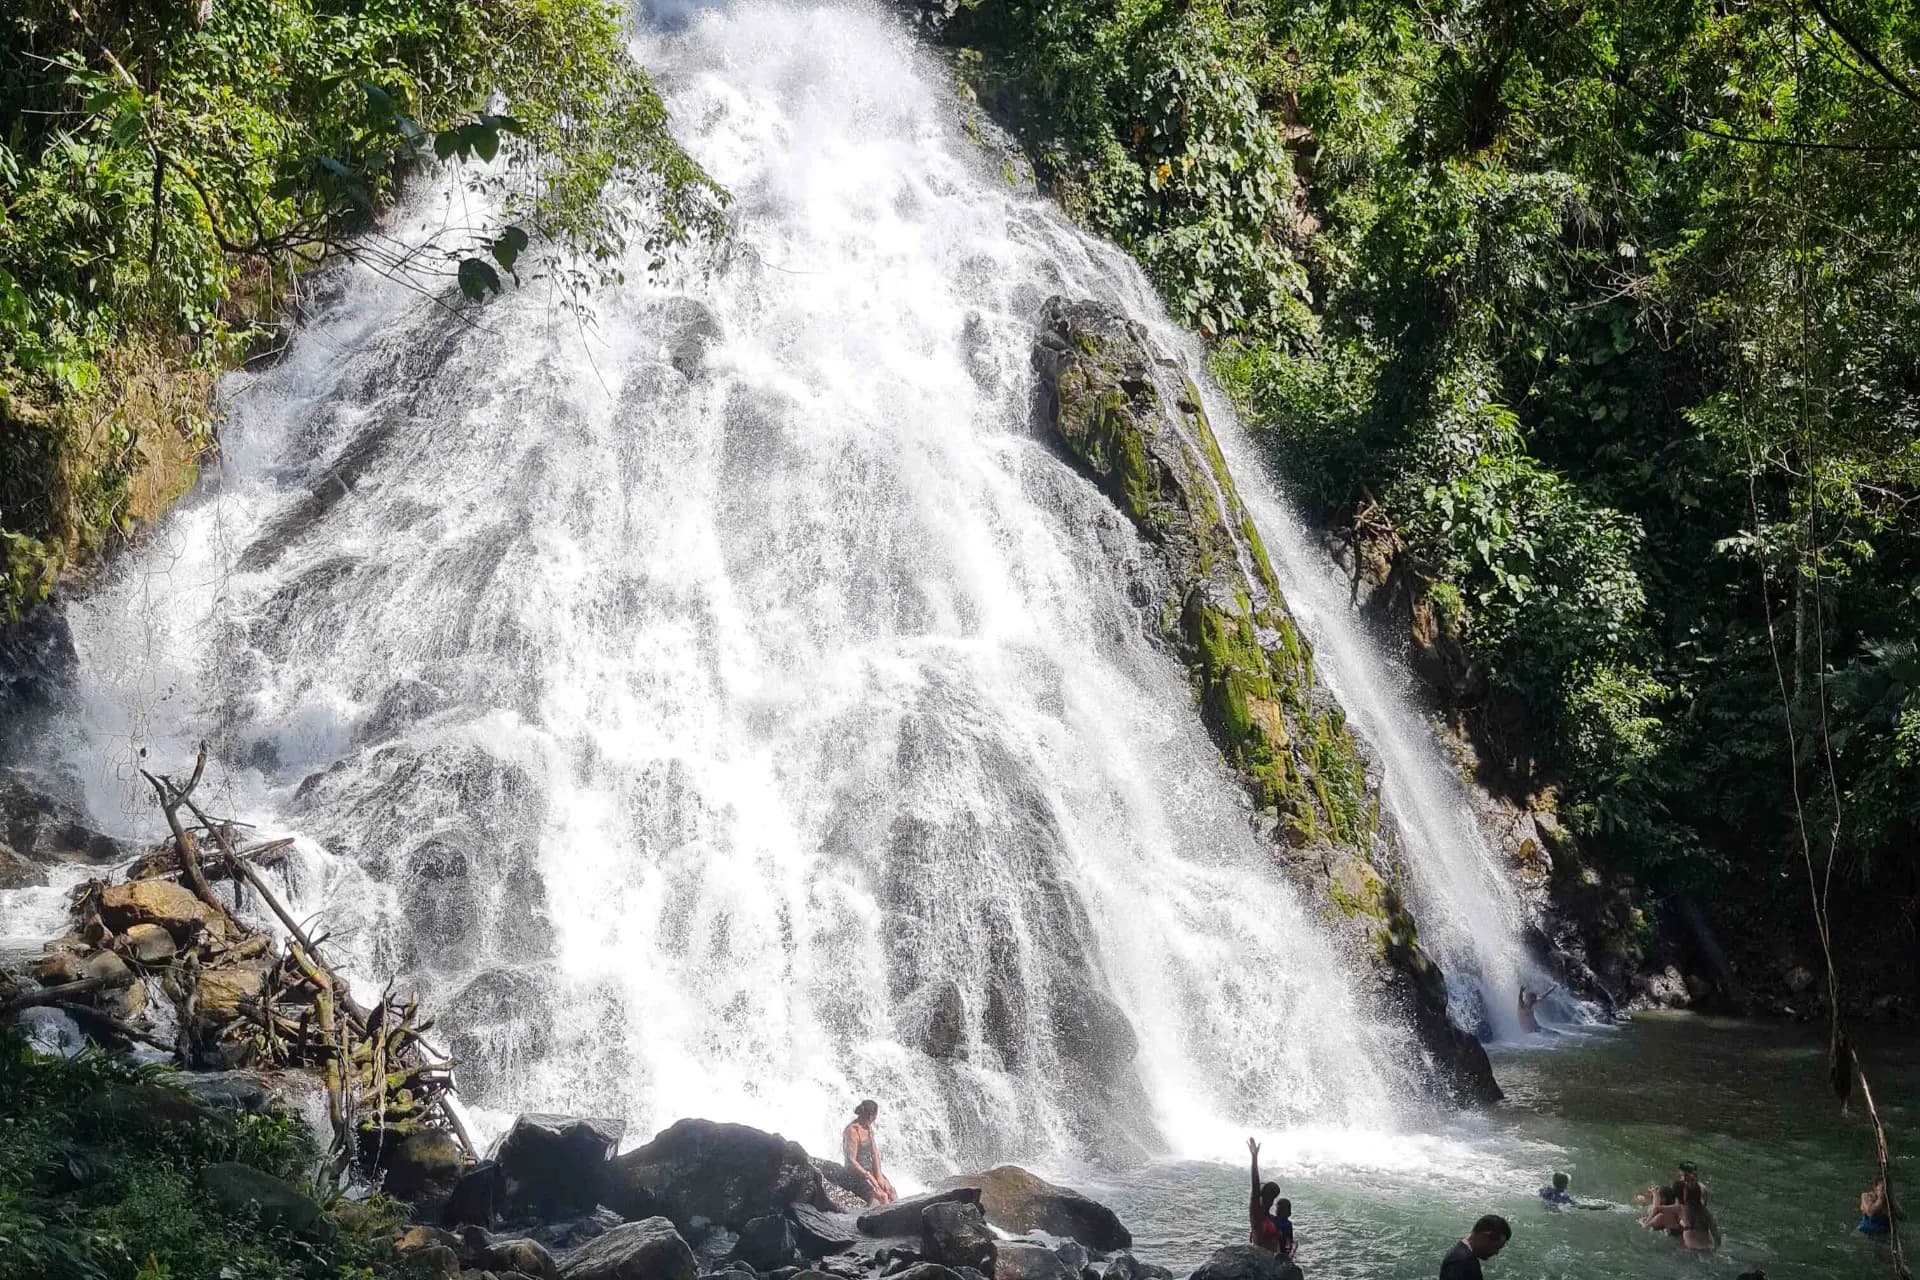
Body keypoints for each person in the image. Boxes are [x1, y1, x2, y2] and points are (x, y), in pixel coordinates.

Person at [1245, 1138, 1295, 1257]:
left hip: (1273, 1261)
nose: (1272, 1202)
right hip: (1261, 1261)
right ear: (1262, 1197)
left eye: (1273, 1198)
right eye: (1270, 1197)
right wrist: (1254, 1158)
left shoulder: (1270, 1216)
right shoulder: (1256, 1213)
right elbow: (1255, 1185)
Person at [843, 1099, 895, 1205]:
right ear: (871, 1116)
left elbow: (874, 1153)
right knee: (882, 1197)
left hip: (869, 1169)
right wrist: (869, 1176)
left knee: (890, 1190)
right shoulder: (852, 1131)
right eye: (875, 1116)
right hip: (855, 1174)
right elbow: (851, 1160)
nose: (875, 1119)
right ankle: (887, 1220)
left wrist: (879, 1175)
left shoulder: (868, 1127)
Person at [1439, 1214, 1510, 1279]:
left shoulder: (1464, 1257)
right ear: (1484, 1236)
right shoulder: (1460, 1262)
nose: (1496, 1252)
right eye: (1496, 1247)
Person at [1679, 1181, 1720, 1253]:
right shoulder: (1707, 1214)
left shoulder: (1684, 1210)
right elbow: (1716, 1235)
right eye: (1702, 1197)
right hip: (1707, 1249)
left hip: (1691, 1250)